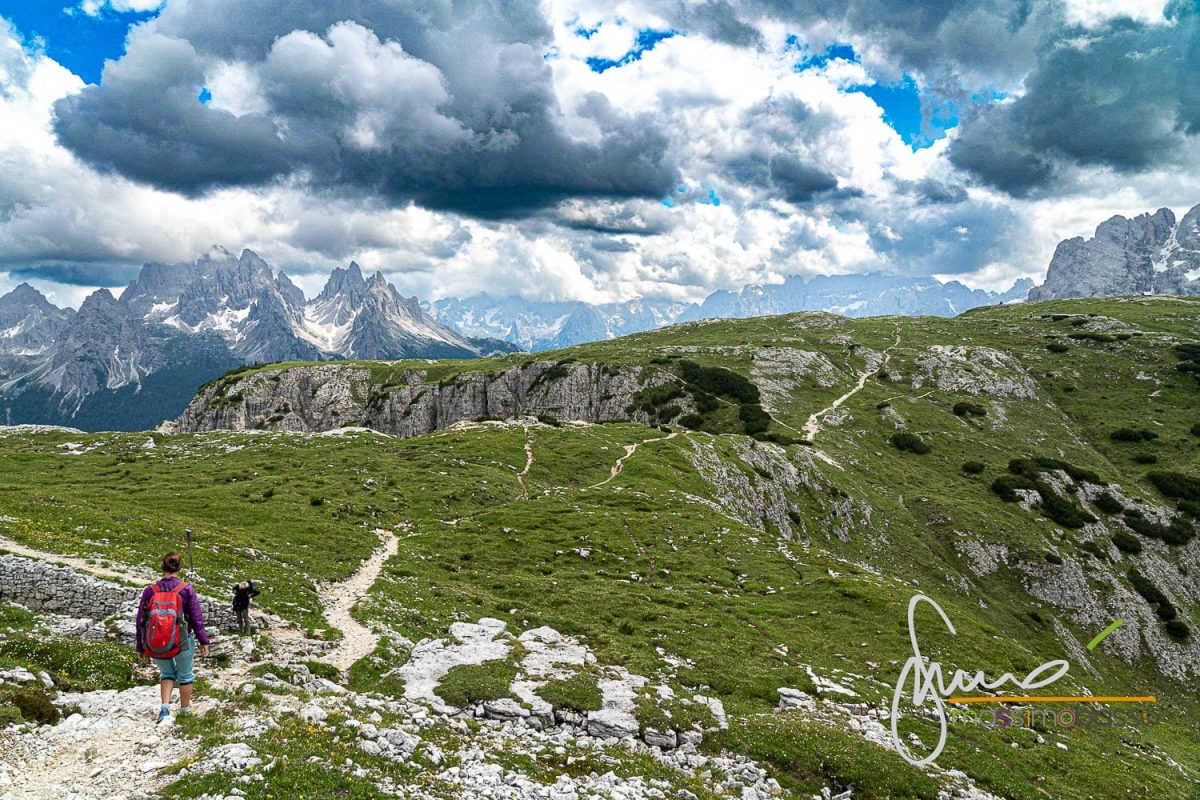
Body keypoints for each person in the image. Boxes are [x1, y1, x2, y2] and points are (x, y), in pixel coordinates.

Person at [136, 551, 210, 722]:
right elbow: (196, 618)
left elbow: (141, 619)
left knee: (167, 674)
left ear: (162, 567)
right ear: (179, 568)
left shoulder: (150, 590)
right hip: (183, 640)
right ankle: (184, 712)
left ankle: (164, 709)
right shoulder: (186, 589)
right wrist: (203, 640)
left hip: (156, 641)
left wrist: (140, 646)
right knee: (185, 676)